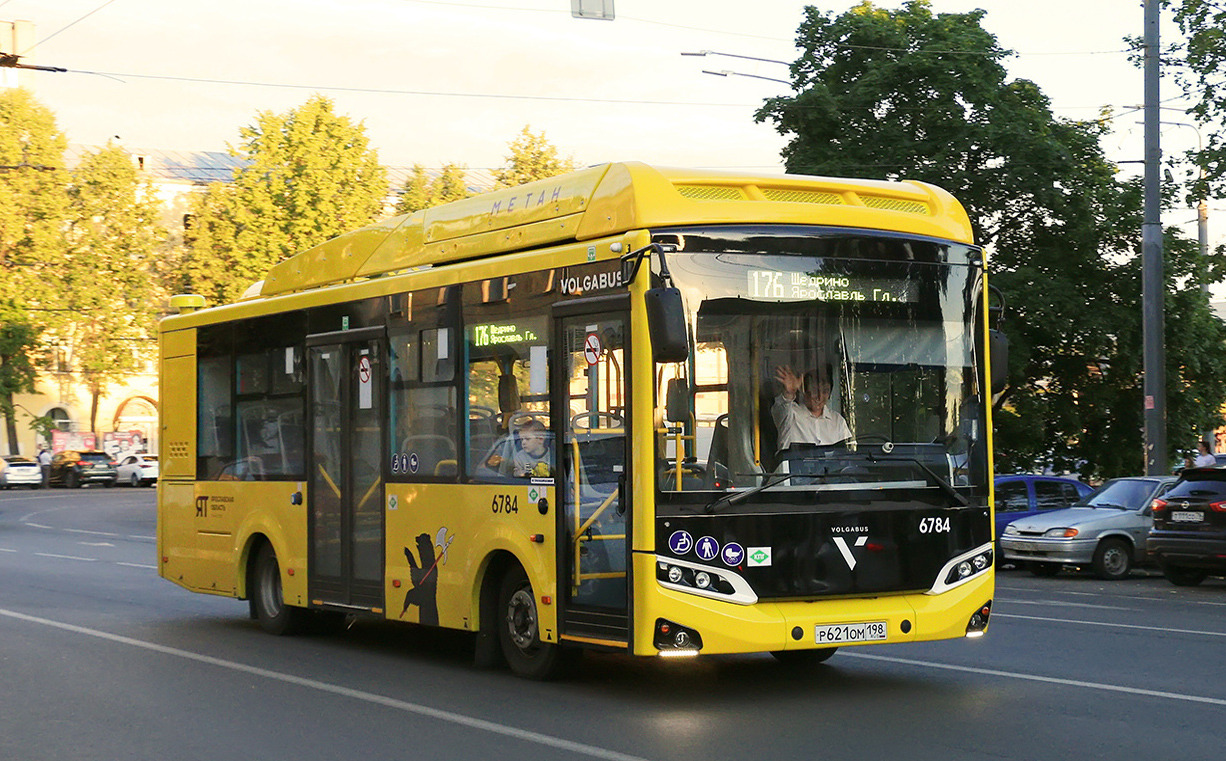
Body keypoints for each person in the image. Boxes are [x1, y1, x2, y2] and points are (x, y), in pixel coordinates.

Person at [771, 365, 852, 449]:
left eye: (825, 391)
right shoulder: (791, 414)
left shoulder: (838, 421)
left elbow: (849, 452)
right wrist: (789, 393)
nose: (819, 397)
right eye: (815, 390)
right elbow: (780, 409)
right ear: (804, 391)